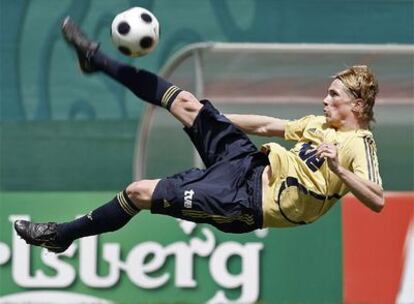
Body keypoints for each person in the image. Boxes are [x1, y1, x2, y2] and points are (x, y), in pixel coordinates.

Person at [14, 17, 384, 253]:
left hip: (244, 203)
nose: (325, 98)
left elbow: (377, 200)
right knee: (187, 102)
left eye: (334, 95)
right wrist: (209, 116)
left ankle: (63, 234)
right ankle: (96, 60)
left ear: (357, 103)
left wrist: (342, 171)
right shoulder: (320, 125)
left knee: (138, 192)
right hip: (248, 165)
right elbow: (268, 126)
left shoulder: (357, 144)